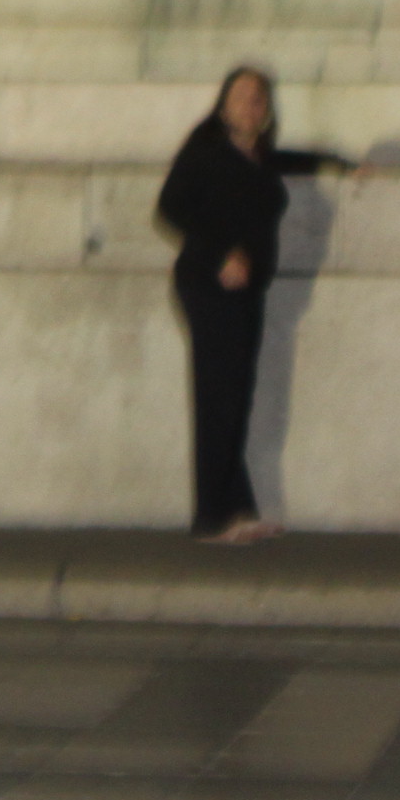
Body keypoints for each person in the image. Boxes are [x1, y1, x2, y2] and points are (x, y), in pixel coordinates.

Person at [154, 65, 357, 544]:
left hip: (247, 289)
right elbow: (170, 208)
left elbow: (294, 159)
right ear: (224, 106)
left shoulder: (261, 157)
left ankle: (238, 508)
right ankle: (211, 518)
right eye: (242, 96)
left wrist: (342, 164)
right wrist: (223, 252)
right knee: (218, 398)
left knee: (238, 396)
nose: (252, 104)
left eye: (260, 97)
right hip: (208, 285)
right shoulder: (204, 151)